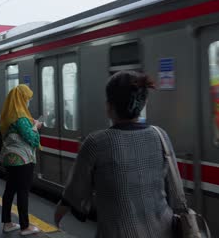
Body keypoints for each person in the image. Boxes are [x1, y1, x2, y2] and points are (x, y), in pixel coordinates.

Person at [54, 71, 183, 238]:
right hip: (164, 230)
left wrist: (58, 216)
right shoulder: (160, 135)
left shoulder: (96, 142)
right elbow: (174, 189)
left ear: (109, 106)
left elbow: (75, 191)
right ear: (143, 104)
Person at [0, 84, 42, 236]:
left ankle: (7, 223)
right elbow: (33, 139)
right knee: (23, 191)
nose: (28, 101)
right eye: (28, 98)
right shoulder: (21, 117)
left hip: (10, 159)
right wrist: (36, 126)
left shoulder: (9, 114)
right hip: (22, 160)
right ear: (22, 98)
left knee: (10, 190)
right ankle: (25, 226)